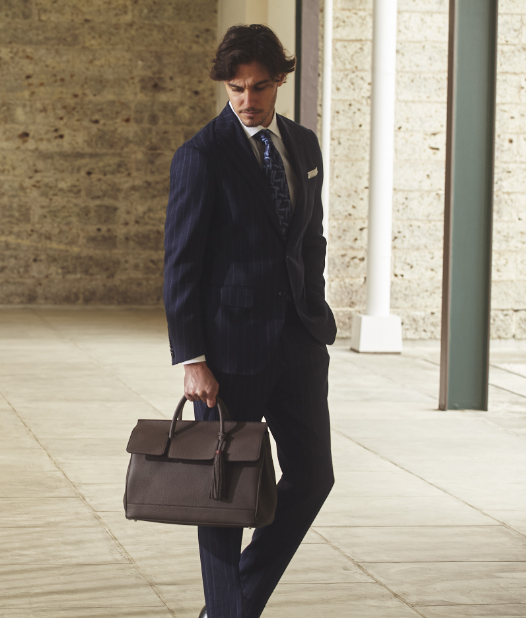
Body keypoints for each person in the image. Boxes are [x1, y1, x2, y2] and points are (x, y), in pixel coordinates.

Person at [163, 24, 337, 618]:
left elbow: (309, 238)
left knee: (313, 477)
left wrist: (313, 308)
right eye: (235, 88)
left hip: (300, 343)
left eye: (259, 87)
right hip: (229, 354)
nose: (246, 100)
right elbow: (181, 262)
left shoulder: (303, 145)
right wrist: (192, 358)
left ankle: (233, 606)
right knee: (224, 493)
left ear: (279, 81)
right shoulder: (201, 155)